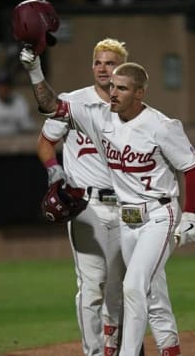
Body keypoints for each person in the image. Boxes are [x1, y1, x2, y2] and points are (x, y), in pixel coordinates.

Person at [20, 48, 195, 355]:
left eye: (122, 88)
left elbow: (192, 168)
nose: (113, 92)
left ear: (140, 93)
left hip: (160, 214)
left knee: (133, 287)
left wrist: (191, 215)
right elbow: (51, 106)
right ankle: (163, 348)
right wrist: (35, 69)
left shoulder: (161, 125)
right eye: (113, 86)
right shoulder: (99, 117)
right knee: (144, 289)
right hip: (126, 218)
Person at [37, 38, 128, 355]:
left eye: (111, 62)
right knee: (91, 286)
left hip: (125, 208)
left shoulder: (129, 107)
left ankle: (114, 347)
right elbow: (45, 143)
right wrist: (54, 171)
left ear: (122, 69)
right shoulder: (73, 101)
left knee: (120, 288)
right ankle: (93, 352)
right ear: (92, 67)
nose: (103, 68)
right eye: (99, 62)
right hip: (85, 205)